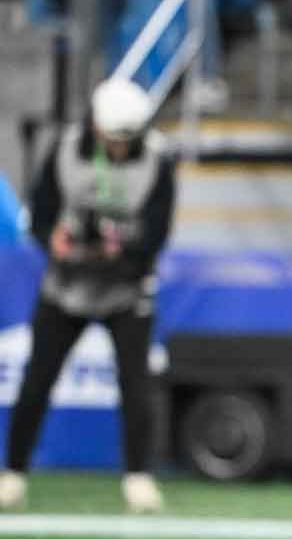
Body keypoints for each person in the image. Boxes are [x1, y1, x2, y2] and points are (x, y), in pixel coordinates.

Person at [0, 79, 174, 514]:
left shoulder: (156, 162)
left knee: (136, 384)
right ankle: (14, 472)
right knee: (37, 380)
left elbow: (155, 234)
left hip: (127, 290)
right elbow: (39, 217)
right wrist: (54, 242)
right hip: (66, 288)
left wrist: (122, 252)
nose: (117, 147)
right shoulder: (64, 150)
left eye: (125, 140)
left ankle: (138, 476)